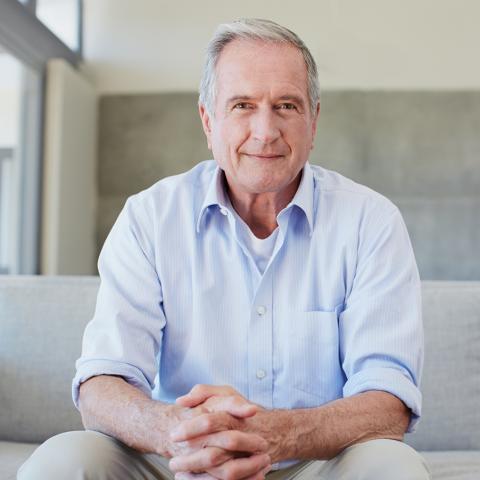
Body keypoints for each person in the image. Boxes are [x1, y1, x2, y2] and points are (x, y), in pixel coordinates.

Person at [18, 18, 431, 480]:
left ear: (313, 121)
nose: (265, 130)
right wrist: (179, 428)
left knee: (392, 465)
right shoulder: (149, 217)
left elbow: (388, 402)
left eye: (286, 105)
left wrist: (278, 435)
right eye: (242, 105)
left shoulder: (370, 222)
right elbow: (102, 384)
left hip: (315, 463)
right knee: (63, 462)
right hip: (177, 456)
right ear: (208, 120)